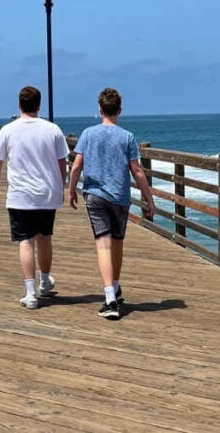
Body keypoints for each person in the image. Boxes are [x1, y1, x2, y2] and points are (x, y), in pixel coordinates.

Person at [67, 87, 156, 320]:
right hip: (120, 197)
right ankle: (114, 287)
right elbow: (137, 171)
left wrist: (71, 190)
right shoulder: (127, 137)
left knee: (103, 245)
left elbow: (76, 166)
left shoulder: (88, 134)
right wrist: (149, 198)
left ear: (100, 110)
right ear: (119, 110)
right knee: (117, 244)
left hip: (95, 196)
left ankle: (110, 299)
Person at [0, 86, 69, 310]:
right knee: (44, 238)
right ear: (39, 105)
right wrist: (61, 186)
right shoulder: (53, 130)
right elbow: (63, 163)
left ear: (19, 104)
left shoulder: (8, 130)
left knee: (25, 241)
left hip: (20, 196)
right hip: (47, 194)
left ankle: (31, 293)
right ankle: (45, 281)